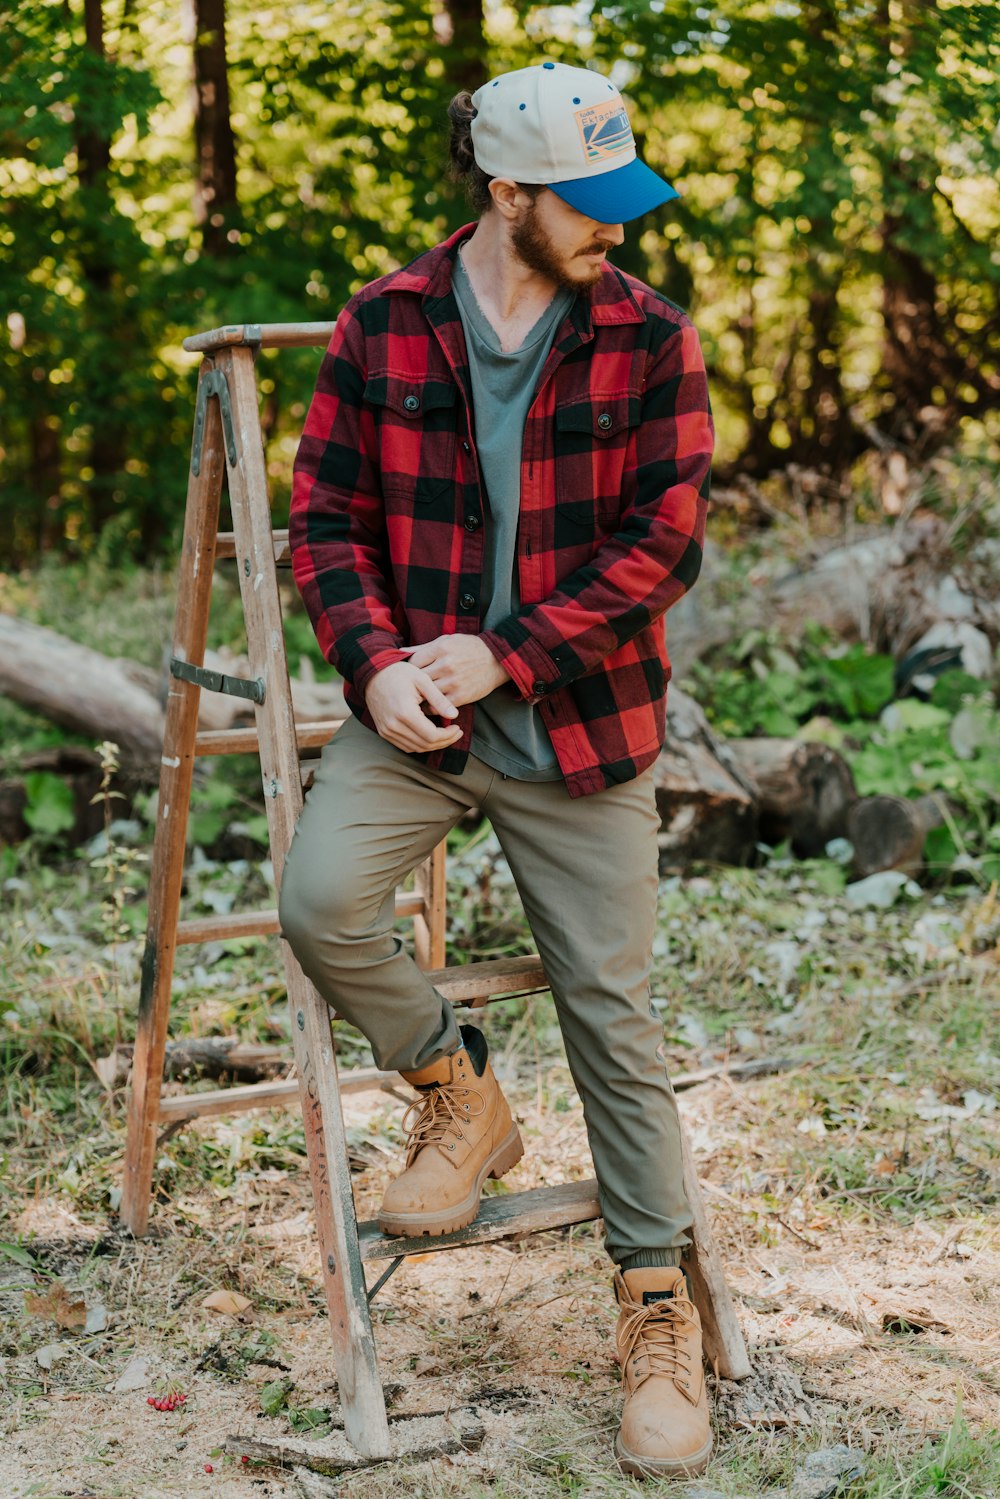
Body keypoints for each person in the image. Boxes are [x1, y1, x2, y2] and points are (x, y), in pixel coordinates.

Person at [281, 60, 715, 1478]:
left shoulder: (651, 335)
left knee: (613, 1011)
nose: (617, 233)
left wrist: (510, 653)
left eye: (620, 202)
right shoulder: (384, 323)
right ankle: (460, 1091)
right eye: (585, 208)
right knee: (318, 902)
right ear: (505, 192)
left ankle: (655, 1304)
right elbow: (325, 520)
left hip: (581, 725)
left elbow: (667, 545)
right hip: (419, 722)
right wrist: (378, 665)